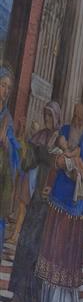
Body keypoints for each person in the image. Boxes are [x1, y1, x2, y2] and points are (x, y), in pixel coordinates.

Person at [35, 103, 83, 302]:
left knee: (65, 256)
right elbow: (56, 159)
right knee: (52, 251)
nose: (77, 120)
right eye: (75, 116)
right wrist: (64, 164)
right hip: (58, 200)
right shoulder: (65, 131)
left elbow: (82, 171)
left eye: (81, 118)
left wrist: (69, 163)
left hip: (74, 207)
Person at [8, 102, 60, 302]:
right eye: (45, 115)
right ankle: (19, 294)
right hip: (36, 199)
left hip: (50, 203)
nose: (47, 119)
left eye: (50, 116)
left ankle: (35, 298)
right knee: (26, 245)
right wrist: (28, 150)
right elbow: (27, 163)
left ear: (56, 117)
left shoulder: (60, 141)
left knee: (41, 251)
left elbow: (64, 171)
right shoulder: (39, 138)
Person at [0, 68, 19, 251]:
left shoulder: (8, 119)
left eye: (8, 88)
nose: (5, 90)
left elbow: (15, 152)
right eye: (3, 85)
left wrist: (7, 145)